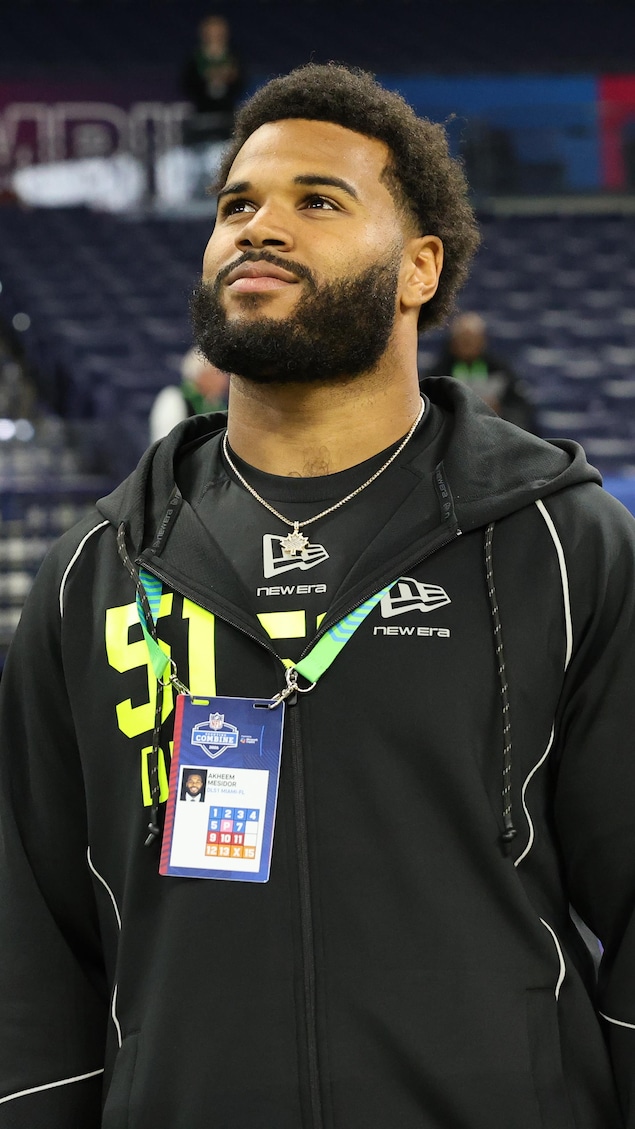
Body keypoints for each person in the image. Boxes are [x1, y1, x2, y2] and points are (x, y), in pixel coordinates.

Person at [0, 62, 634, 1129]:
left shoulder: (560, 542)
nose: (257, 227)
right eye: (236, 203)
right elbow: (30, 945)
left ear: (418, 268)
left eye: (317, 200)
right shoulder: (94, 571)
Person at [423, 310, 537, 431]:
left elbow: (520, 408)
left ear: (482, 341)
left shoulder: (500, 369)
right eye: (463, 339)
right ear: (453, 342)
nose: (468, 344)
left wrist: (499, 410)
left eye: (472, 339)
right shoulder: (438, 373)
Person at [180, 13, 244, 146]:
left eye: (218, 33)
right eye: (211, 33)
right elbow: (186, 84)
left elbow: (242, 83)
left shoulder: (234, 58)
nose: (215, 37)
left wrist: (227, 78)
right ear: (204, 35)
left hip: (228, 119)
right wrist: (207, 78)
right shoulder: (195, 60)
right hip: (202, 118)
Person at [149, 346, 229, 443]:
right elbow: (166, 444)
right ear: (200, 374)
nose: (224, 379)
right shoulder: (173, 399)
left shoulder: (217, 404)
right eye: (217, 373)